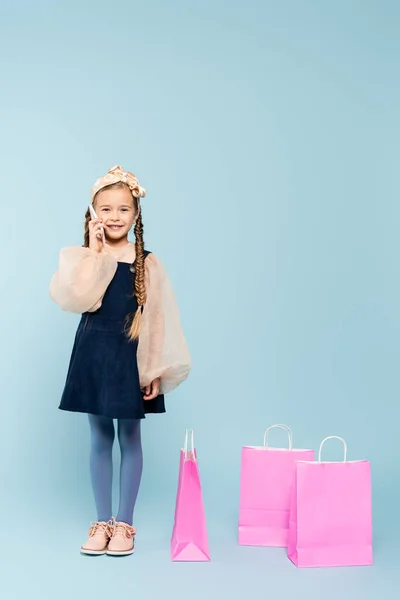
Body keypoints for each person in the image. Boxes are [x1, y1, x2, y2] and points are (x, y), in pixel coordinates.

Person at [49, 164, 190, 556]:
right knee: (98, 437)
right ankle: (101, 522)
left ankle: (125, 525)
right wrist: (94, 253)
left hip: (131, 356)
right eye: (106, 209)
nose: (114, 216)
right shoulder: (84, 258)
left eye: (123, 209)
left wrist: (155, 368)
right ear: (93, 214)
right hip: (94, 353)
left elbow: (160, 319)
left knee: (129, 436)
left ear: (136, 214)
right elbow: (76, 299)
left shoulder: (147, 261)